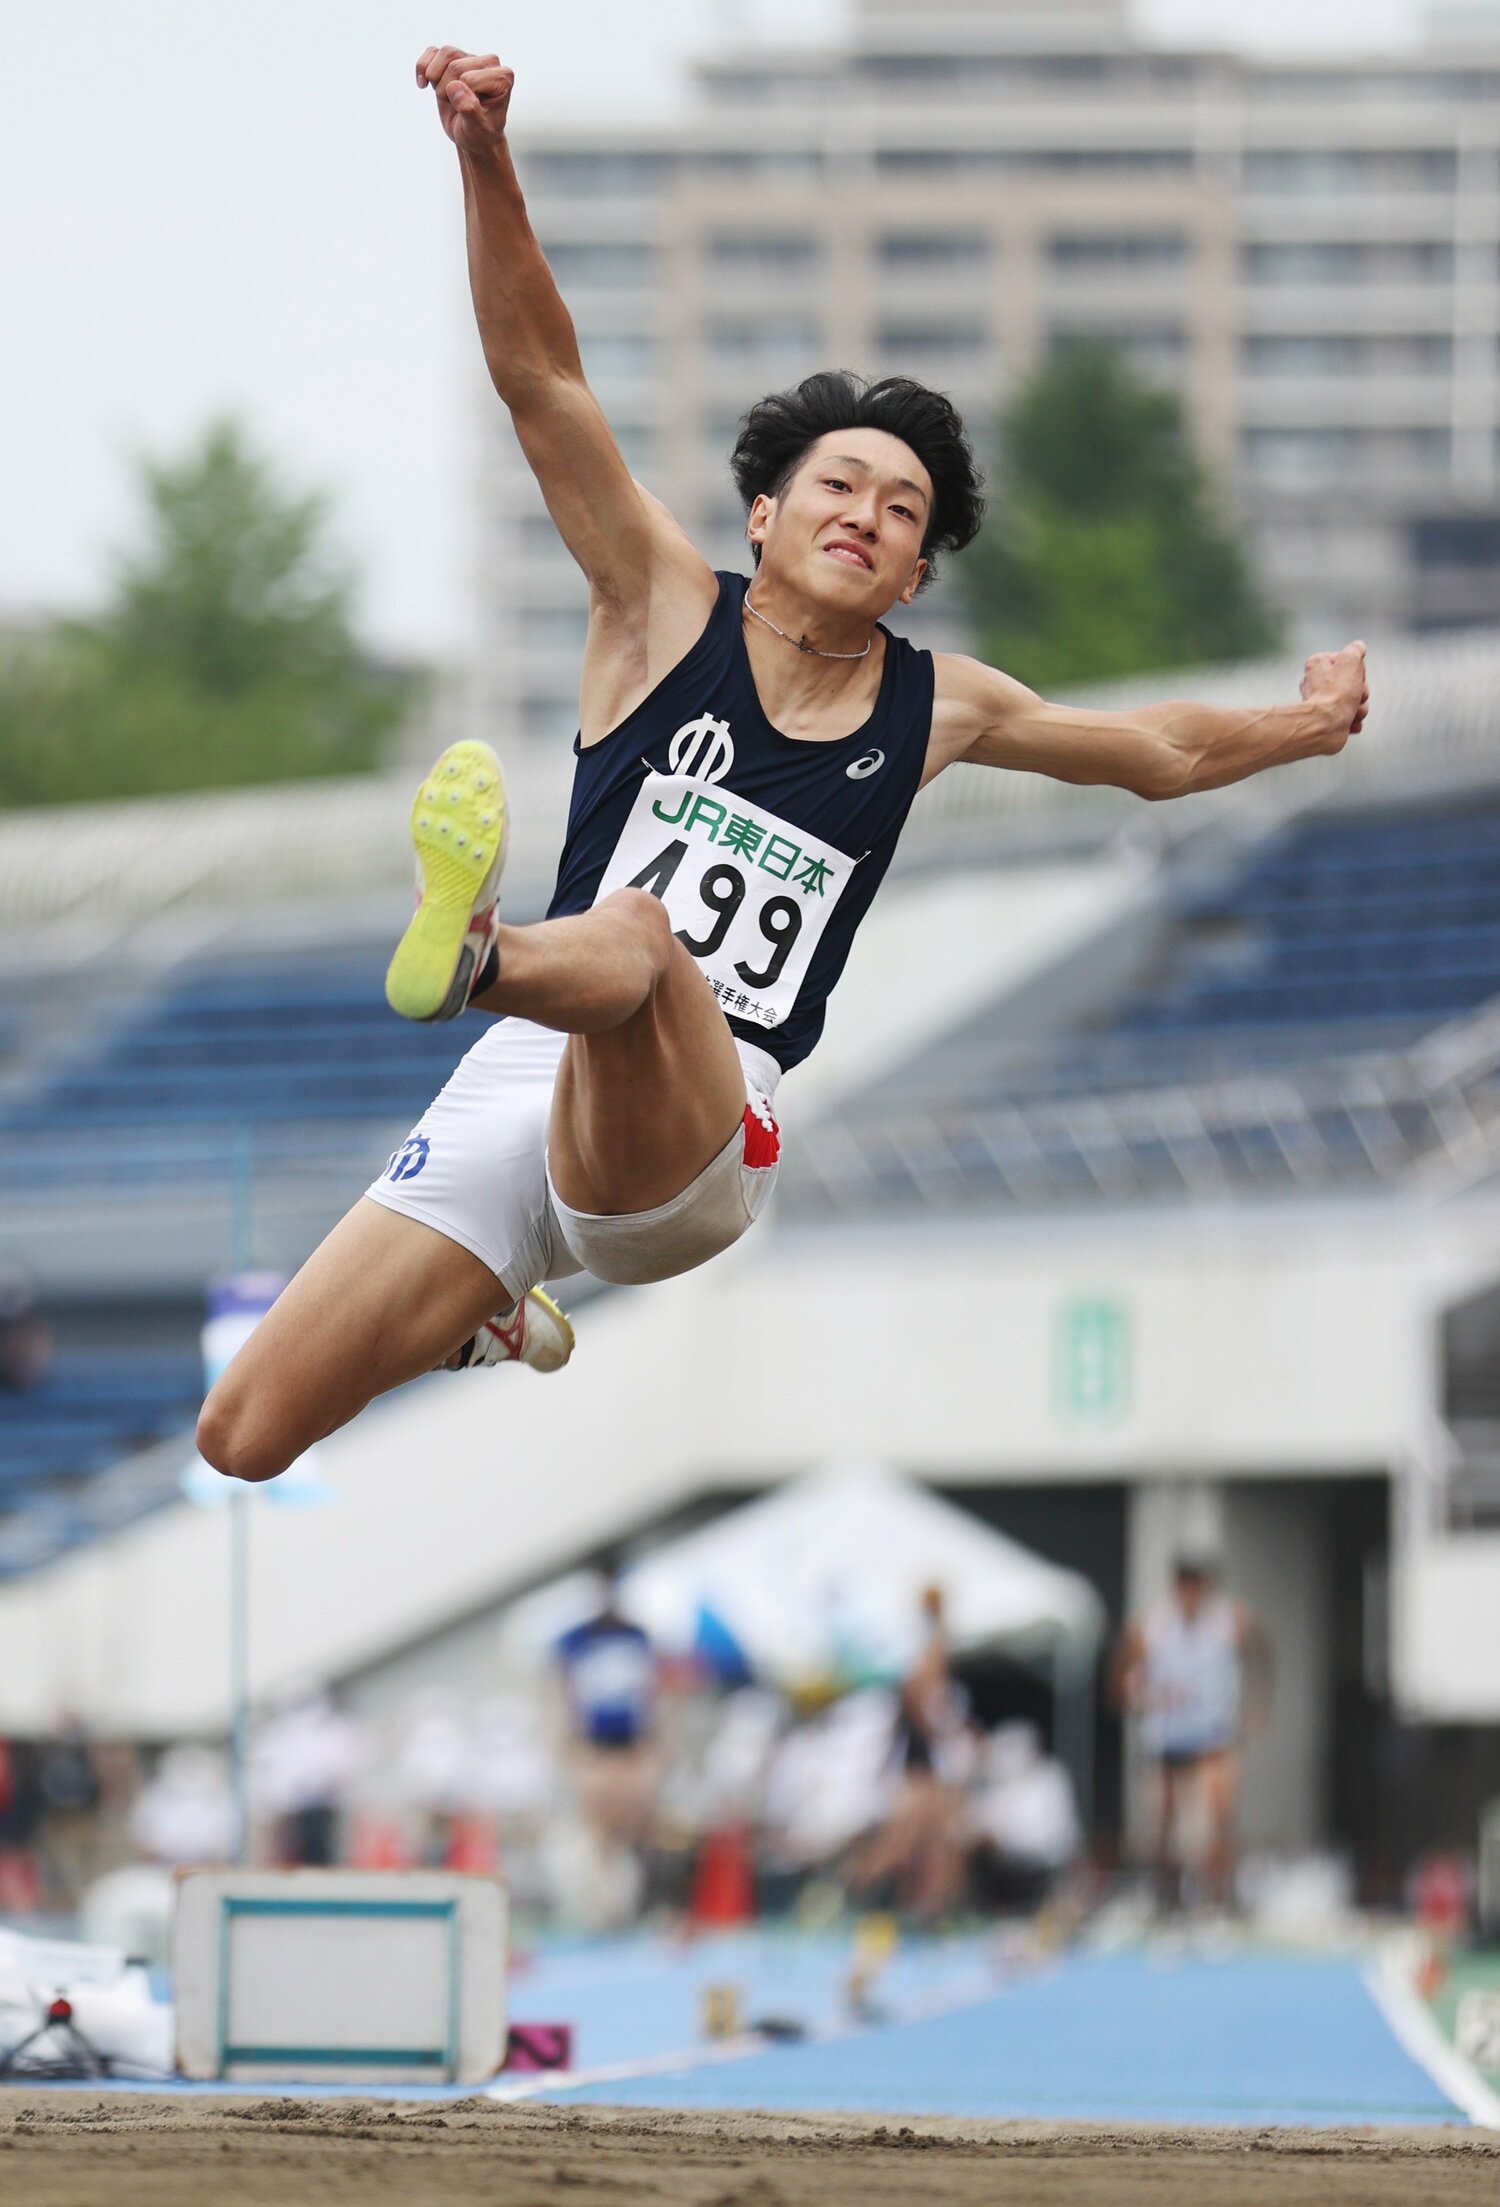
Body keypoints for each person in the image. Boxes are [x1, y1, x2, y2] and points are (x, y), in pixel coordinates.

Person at [196, 45, 1370, 1488]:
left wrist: (1301, 723)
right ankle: (496, 1301)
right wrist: (484, 154)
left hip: (704, 1134)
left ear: (918, 578)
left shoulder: (942, 705)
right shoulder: (656, 605)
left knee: (639, 936)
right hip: (526, 1088)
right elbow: (542, 379)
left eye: (903, 510)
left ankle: (474, 952)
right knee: (243, 1433)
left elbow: (1156, 752)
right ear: (762, 514)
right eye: (839, 485)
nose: (868, 515)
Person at [1112, 1553, 1272, 1911]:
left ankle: (1218, 1896)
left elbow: (1261, 1650)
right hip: (1168, 1734)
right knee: (1163, 1821)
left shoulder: (1228, 1619)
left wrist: (1258, 1704)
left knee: (1218, 1814)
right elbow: (1119, 1674)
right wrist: (1138, 1699)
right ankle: (1166, 1897)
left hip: (1213, 1732)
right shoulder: (1152, 1624)